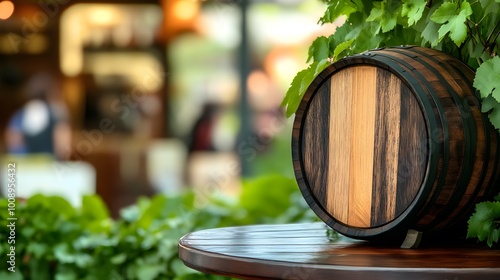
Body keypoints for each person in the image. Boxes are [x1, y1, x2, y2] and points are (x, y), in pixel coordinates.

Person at [4, 72, 71, 160]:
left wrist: (12, 172)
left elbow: (12, 145)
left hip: (23, 168)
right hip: (48, 168)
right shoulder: (57, 114)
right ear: (51, 93)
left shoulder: (19, 115)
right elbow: (63, 148)